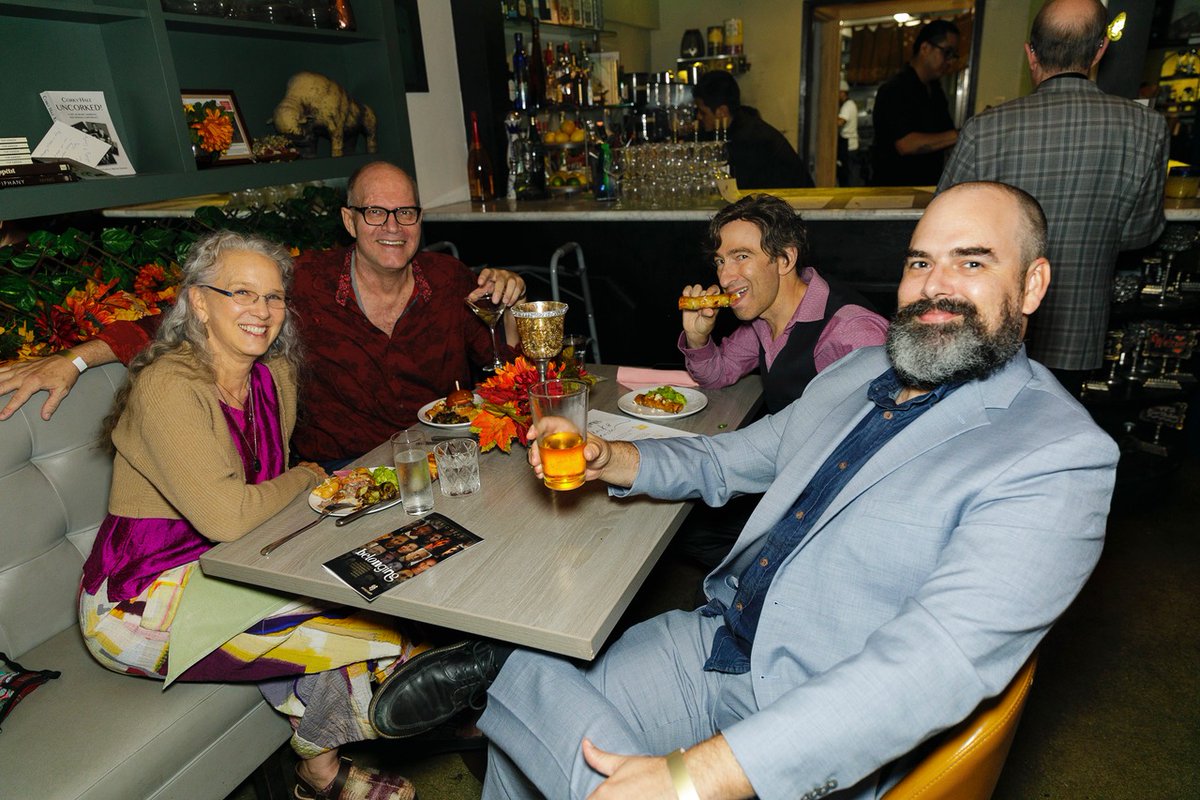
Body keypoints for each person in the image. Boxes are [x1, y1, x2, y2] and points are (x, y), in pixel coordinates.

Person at [369, 182, 1118, 800]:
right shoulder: (861, 375)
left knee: (547, 719)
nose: (935, 288)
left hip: (809, 702)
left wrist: (696, 778)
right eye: (921, 263)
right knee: (530, 669)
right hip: (718, 644)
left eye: (972, 262)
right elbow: (734, 460)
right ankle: (507, 680)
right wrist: (611, 457)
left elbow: (928, 665)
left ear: (1033, 284)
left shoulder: (1059, 456)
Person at [79, 230, 422, 800]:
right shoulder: (167, 386)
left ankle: (320, 760)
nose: (261, 311)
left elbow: (257, 511)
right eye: (241, 292)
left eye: (273, 297)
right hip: (141, 599)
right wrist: (310, 476)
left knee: (387, 583)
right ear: (199, 301)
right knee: (385, 632)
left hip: (236, 568)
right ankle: (321, 760)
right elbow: (232, 516)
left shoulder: (274, 375)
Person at [0, 161, 526, 465]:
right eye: (374, 212)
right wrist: (72, 361)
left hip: (438, 459)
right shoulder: (301, 284)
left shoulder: (451, 279)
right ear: (349, 220)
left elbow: (504, 363)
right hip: (340, 478)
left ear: (419, 218)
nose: (392, 225)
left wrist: (509, 300)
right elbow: (179, 314)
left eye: (405, 212)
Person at [937, 0, 1169, 389]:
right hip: (1078, 327)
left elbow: (945, 230)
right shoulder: (1147, 127)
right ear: (1099, 51)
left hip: (995, 322)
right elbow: (1140, 233)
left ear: (1031, 53)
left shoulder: (985, 130)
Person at [680, 193, 888, 415]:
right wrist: (697, 337)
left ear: (785, 259)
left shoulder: (849, 331)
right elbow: (717, 375)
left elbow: (882, 427)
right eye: (720, 261)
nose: (723, 278)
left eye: (741, 257)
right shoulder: (764, 315)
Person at [871, 19, 961, 186]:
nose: (950, 61)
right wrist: (965, 133)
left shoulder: (935, 91)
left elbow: (946, 135)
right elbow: (906, 144)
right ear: (925, 48)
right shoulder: (895, 89)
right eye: (946, 52)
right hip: (895, 190)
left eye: (953, 55)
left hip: (928, 187)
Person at [692, 70, 813, 190]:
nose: (698, 117)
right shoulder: (738, 125)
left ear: (722, 112)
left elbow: (736, 191)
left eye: (703, 112)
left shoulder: (750, 139)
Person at [837, 80, 859, 186]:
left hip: (848, 145)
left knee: (849, 174)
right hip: (850, 144)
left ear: (842, 92)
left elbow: (840, 122)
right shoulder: (850, 104)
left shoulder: (848, 105)